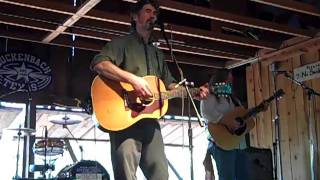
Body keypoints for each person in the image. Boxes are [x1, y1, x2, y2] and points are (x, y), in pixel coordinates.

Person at [91, 0, 208, 179]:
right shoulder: (121, 44)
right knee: (126, 175)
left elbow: (170, 84)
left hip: (150, 122)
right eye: (147, 11)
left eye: (154, 13)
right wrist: (132, 79)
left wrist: (194, 93)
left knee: (161, 175)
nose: (152, 15)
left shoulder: (157, 53)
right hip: (123, 121)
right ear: (134, 16)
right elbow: (99, 63)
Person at [200, 69, 248, 180]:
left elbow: (240, 116)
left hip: (238, 144)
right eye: (227, 80)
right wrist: (224, 120)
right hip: (221, 143)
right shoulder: (210, 95)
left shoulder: (233, 99)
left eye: (231, 81)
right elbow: (206, 113)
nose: (230, 84)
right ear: (220, 81)